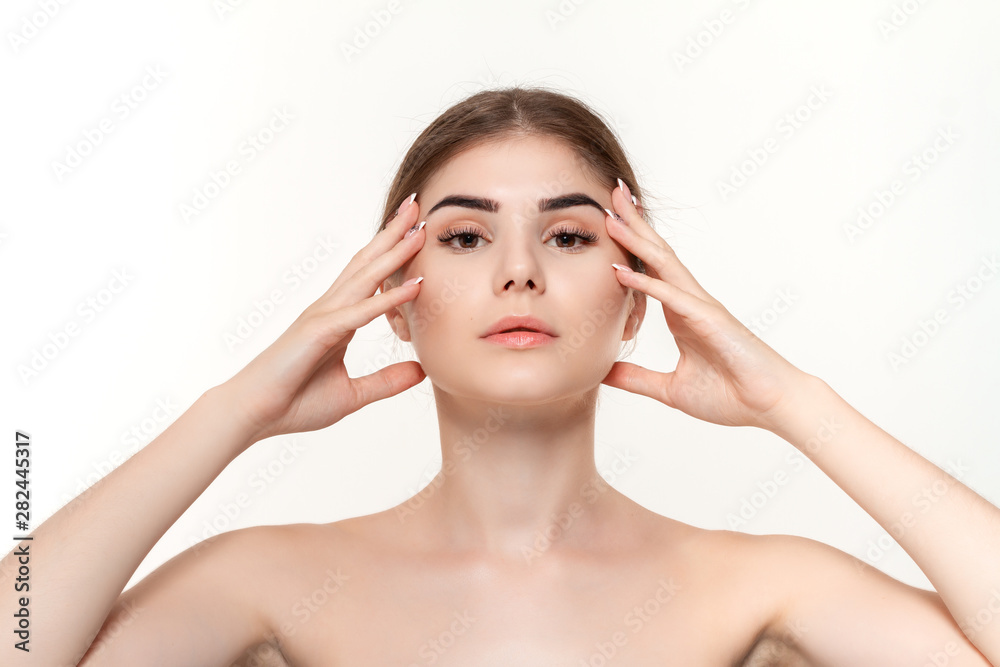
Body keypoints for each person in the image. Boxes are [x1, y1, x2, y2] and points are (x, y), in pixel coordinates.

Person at [3, 86, 997, 667]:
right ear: (394, 294)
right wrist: (232, 413)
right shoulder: (265, 579)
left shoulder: (760, 584)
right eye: (466, 234)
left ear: (638, 294)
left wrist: (795, 403)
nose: (518, 270)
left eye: (566, 234)